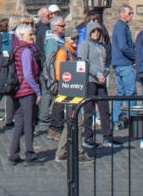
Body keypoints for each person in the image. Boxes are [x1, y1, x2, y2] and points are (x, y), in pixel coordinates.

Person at [54, 29, 93, 164]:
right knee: (77, 121)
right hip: (69, 93)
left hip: (75, 91)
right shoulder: (63, 52)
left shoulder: (73, 53)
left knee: (73, 122)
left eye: (77, 38)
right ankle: (77, 151)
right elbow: (59, 74)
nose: (75, 41)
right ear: (67, 39)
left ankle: (62, 152)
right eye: (73, 38)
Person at [8, 24, 43, 164]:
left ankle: (13, 153)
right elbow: (28, 74)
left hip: (16, 90)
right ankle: (29, 153)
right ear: (21, 35)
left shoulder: (16, 49)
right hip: (26, 90)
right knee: (29, 122)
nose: (32, 37)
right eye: (30, 34)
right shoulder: (26, 51)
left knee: (19, 123)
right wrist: (37, 91)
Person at [78, 21, 115, 148]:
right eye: (93, 31)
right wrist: (97, 74)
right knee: (89, 110)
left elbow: (106, 61)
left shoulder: (102, 46)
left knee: (104, 109)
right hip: (90, 80)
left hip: (101, 80)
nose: (96, 33)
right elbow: (84, 61)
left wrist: (104, 73)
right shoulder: (85, 45)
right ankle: (88, 137)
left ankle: (107, 137)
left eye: (98, 31)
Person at [111, 5, 136, 129]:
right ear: (122, 14)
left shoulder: (120, 26)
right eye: (129, 13)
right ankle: (134, 122)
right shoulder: (121, 26)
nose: (131, 15)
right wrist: (135, 57)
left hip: (119, 63)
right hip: (124, 64)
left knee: (120, 93)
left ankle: (116, 120)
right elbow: (124, 46)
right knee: (131, 93)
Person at [44, 15, 67, 140]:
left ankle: (53, 128)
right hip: (56, 76)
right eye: (61, 26)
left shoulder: (59, 39)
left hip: (60, 75)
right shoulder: (53, 41)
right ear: (54, 28)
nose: (64, 28)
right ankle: (56, 128)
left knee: (58, 103)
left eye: (64, 25)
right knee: (59, 103)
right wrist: (53, 79)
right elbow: (50, 62)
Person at [35, 6, 53, 124]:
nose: (51, 16)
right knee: (46, 89)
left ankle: (42, 113)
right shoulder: (45, 30)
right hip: (44, 63)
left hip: (42, 62)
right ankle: (44, 115)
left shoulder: (40, 28)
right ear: (42, 16)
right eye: (48, 15)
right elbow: (43, 48)